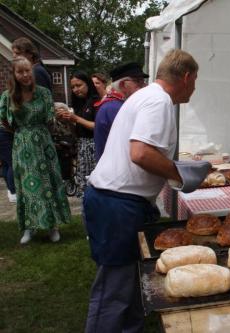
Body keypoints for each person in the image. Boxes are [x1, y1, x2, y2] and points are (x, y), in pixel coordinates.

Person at [83, 49, 210, 332]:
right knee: (114, 289)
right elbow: (140, 153)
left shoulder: (146, 96)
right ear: (186, 77)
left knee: (131, 284)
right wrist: (180, 175)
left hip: (117, 201)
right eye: (196, 80)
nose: (195, 87)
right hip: (117, 204)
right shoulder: (158, 101)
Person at [0, 56, 71, 244]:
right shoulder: (8, 96)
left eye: (27, 70)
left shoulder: (44, 93)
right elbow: (5, 121)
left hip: (43, 143)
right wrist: (22, 133)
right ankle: (29, 227)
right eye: (20, 72)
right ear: (14, 75)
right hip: (22, 143)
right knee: (27, 186)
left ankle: (52, 226)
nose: (25, 75)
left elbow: (50, 120)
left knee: (48, 183)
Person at [93, 62, 148, 162]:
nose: (144, 86)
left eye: (143, 81)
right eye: (138, 81)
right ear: (123, 84)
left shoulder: (113, 104)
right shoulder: (116, 108)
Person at [57, 71, 100, 197]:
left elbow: (97, 126)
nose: (75, 89)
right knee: (83, 183)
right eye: (73, 87)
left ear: (87, 84)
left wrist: (75, 118)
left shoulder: (96, 101)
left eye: (79, 85)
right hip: (82, 146)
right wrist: (66, 120)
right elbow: (78, 129)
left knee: (92, 181)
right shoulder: (79, 103)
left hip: (93, 146)